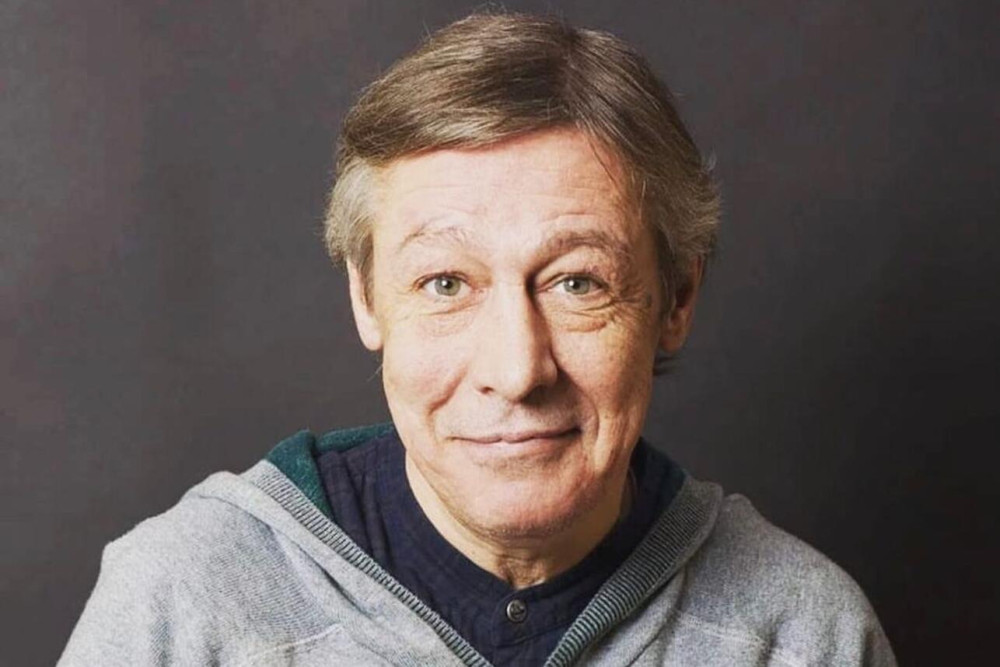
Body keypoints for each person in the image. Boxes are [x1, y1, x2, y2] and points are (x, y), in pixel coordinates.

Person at [60, 12, 896, 666]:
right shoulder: (183, 603)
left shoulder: (800, 634)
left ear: (676, 297)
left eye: (577, 282)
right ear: (367, 298)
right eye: (446, 283)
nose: (517, 369)